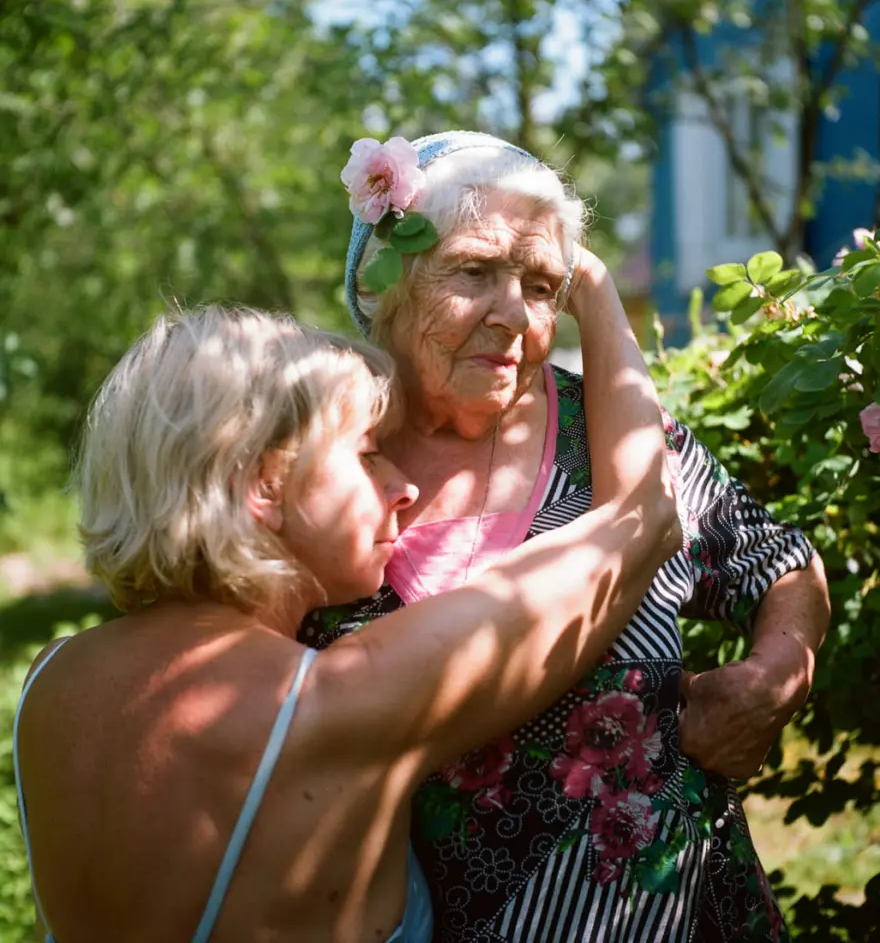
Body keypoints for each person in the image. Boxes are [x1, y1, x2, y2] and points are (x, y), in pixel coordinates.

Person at [13, 285, 680, 941]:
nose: (404, 486)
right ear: (265, 486)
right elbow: (644, 521)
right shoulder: (333, 704)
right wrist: (587, 285)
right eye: (366, 453)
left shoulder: (51, 681)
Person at [302, 130, 831, 942]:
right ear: (387, 284)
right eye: (474, 271)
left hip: (679, 916)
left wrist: (772, 678)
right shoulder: (327, 457)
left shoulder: (611, 434)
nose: (513, 313)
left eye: (545, 285)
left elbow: (780, 561)